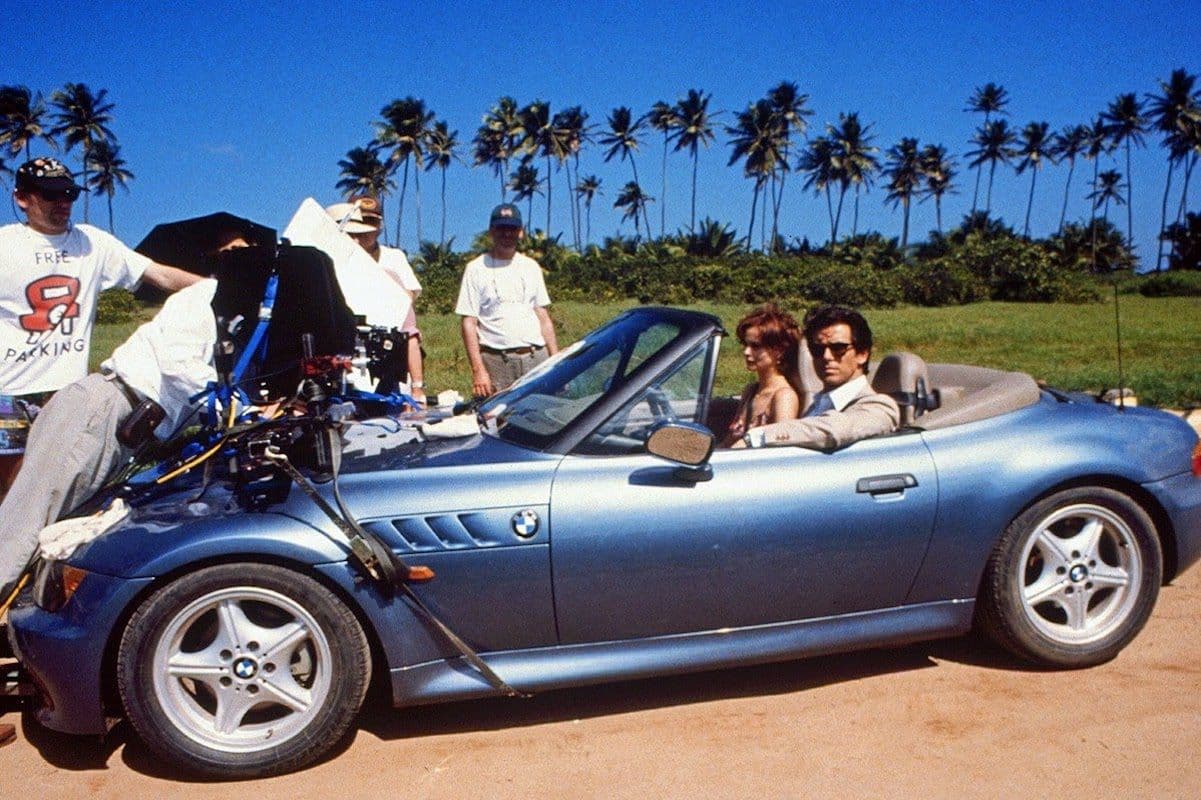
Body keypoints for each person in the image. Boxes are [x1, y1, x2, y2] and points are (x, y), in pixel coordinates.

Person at [0, 157, 200, 494]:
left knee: (63, 488)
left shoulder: (93, 244)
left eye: (69, 194)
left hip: (65, 392)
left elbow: (160, 275)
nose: (62, 202)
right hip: (8, 393)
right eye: (50, 195)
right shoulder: (5, 244)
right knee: (10, 491)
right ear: (22, 198)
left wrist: (215, 289)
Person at [736, 305, 899, 451]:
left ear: (862, 354)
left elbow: (833, 429)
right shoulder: (817, 403)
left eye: (838, 348)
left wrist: (757, 436)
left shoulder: (880, 407)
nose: (826, 356)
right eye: (817, 349)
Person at [327, 196, 426, 404]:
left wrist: (418, 387)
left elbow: (406, 310)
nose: (364, 231)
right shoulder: (329, 268)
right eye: (359, 223)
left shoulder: (393, 260)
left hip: (387, 353)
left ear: (380, 225)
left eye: (371, 222)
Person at [455, 203, 558, 397]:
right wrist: (478, 371)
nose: (507, 234)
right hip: (496, 362)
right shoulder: (476, 269)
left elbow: (542, 316)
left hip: (536, 357)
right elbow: (469, 322)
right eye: (501, 228)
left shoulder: (531, 267)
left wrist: (555, 359)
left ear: (521, 232)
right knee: (498, 415)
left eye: (512, 229)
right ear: (491, 232)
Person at [720, 304, 804, 447]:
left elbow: (782, 451)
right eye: (745, 344)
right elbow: (729, 442)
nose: (746, 352)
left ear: (779, 351)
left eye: (756, 346)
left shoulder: (784, 397)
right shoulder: (751, 391)